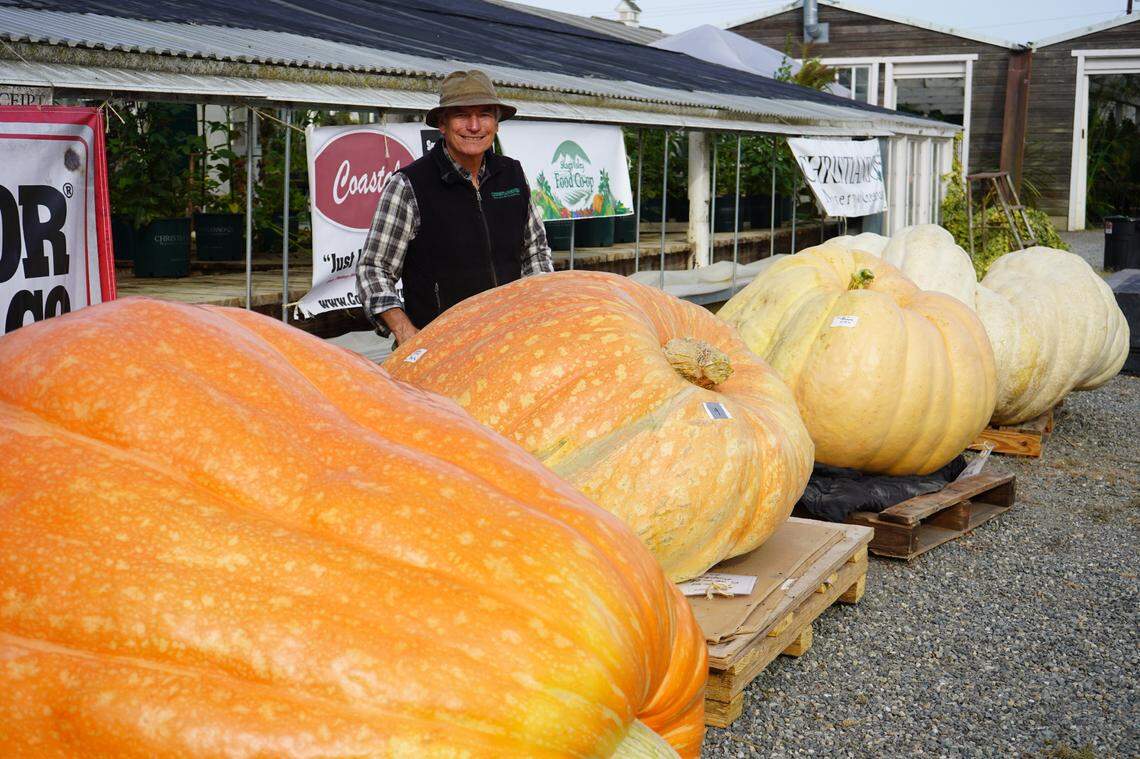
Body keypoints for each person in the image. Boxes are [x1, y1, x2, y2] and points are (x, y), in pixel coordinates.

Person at [356, 69, 553, 345]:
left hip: (508, 340)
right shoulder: (410, 185)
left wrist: (535, 312)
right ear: (442, 124)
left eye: (484, 114)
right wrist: (405, 331)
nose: (475, 126)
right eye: (462, 115)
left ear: (496, 124)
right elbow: (374, 269)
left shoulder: (512, 175)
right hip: (440, 348)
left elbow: (535, 253)